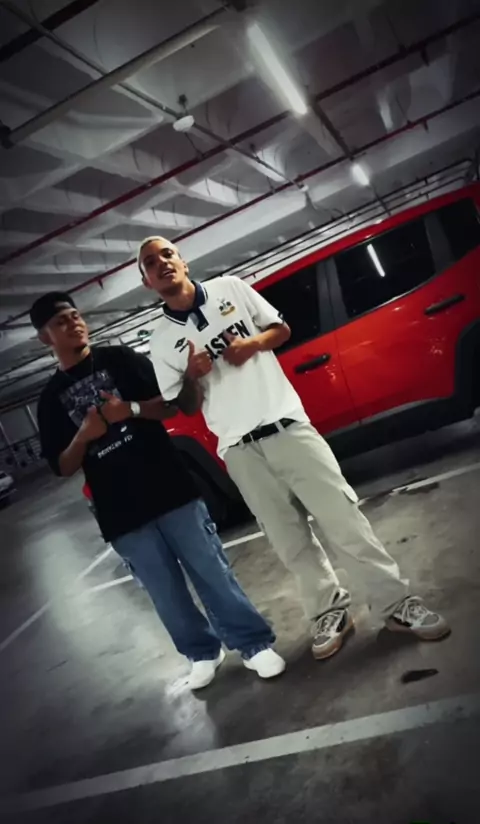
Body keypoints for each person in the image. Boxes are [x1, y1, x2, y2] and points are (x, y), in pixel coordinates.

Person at [140, 235, 451, 660]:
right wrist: (193, 375)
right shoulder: (160, 341)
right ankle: (329, 611)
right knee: (289, 541)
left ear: (183, 261)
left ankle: (395, 604)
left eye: (167, 254)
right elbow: (186, 406)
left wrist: (252, 344)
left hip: (287, 426)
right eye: (150, 262)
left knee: (344, 520)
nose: (161, 263)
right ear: (147, 282)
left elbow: (281, 329)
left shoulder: (231, 289)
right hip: (239, 450)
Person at [30, 292, 286, 689]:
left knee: (212, 572)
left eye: (75, 316)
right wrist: (84, 436)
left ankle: (252, 644)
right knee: (164, 593)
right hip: (121, 512)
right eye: (61, 322)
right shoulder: (49, 401)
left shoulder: (121, 359)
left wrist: (129, 410)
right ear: (44, 337)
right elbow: (61, 466)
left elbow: (170, 406)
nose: (74, 324)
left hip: (170, 488)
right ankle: (202, 653)